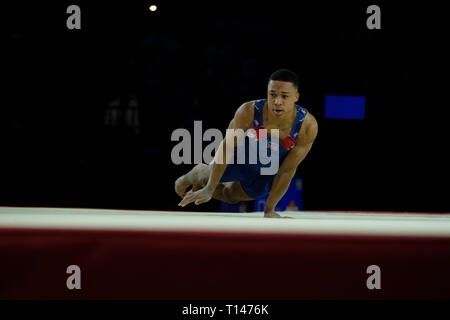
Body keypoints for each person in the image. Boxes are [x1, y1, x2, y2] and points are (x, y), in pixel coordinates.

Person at [175, 69, 318, 218]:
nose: (277, 101)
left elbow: (287, 171)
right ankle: (190, 177)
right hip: (241, 157)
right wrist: (210, 187)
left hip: (266, 174)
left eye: (284, 96)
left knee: (230, 197)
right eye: (272, 95)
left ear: (296, 97)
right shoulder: (248, 112)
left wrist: (269, 210)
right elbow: (227, 147)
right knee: (206, 179)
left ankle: (206, 181)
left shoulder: (306, 127)